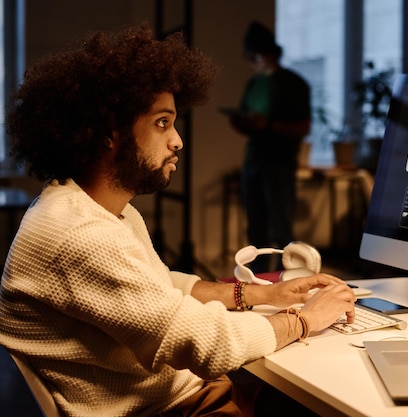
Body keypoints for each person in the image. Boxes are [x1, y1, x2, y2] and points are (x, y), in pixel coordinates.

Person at [0, 25, 355, 417]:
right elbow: (205, 344)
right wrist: (306, 319)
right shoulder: (79, 233)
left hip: (182, 395)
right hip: (171, 409)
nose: (177, 141)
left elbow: (156, 286)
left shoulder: (93, 209)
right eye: (162, 123)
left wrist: (260, 295)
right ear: (108, 133)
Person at [228, 21, 311, 273]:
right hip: (254, 162)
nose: (254, 63)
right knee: (256, 228)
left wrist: (268, 126)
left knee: (281, 226)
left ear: (271, 53)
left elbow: (302, 127)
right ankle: (259, 277)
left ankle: (289, 277)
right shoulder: (254, 84)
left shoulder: (293, 84)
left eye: (256, 56)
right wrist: (243, 124)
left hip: (280, 164)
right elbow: (250, 121)